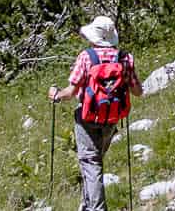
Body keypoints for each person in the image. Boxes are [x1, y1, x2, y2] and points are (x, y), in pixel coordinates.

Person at [48, 15, 142, 211]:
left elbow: (71, 91)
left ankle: (97, 208)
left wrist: (56, 94)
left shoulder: (86, 57)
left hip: (87, 118)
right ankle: (87, 205)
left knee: (91, 163)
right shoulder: (125, 58)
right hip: (112, 118)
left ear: (93, 38)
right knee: (95, 162)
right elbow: (137, 91)